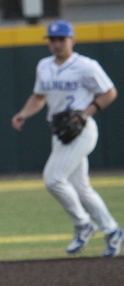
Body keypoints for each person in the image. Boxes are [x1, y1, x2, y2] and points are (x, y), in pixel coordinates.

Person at [12, 20, 122, 258]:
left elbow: (109, 92)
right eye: (52, 40)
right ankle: (113, 231)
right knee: (81, 189)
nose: (56, 44)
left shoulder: (85, 65)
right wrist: (24, 113)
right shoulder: (44, 66)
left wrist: (85, 113)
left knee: (53, 179)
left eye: (61, 39)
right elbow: (39, 97)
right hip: (60, 132)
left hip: (82, 131)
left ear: (72, 40)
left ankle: (83, 224)